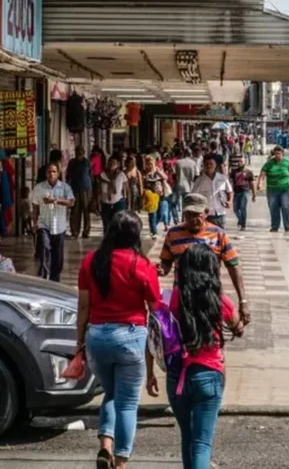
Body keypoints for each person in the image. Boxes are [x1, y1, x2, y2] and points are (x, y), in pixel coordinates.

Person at [76, 211, 160, 469]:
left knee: (111, 392)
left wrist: (79, 343)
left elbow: (83, 307)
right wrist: (155, 359)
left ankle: (105, 446)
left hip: (97, 337)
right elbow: (155, 310)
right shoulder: (142, 265)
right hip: (130, 338)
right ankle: (121, 461)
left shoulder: (91, 261)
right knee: (128, 404)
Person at [156, 244, 244, 469]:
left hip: (177, 376)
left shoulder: (174, 298)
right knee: (202, 443)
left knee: (187, 436)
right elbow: (237, 327)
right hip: (209, 374)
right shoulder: (218, 299)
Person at [158, 193, 251, 325]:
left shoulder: (218, 234)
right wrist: (161, 269)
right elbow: (166, 263)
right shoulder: (173, 234)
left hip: (210, 296)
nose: (192, 219)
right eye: (188, 214)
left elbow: (233, 266)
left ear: (206, 213)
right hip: (182, 298)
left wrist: (243, 301)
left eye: (197, 214)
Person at [31, 163, 75, 282]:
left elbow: (71, 202)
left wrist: (55, 200)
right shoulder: (39, 188)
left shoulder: (65, 187)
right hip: (44, 224)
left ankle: (55, 279)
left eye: (54, 171)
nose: (51, 174)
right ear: (46, 173)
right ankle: (44, 277)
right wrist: (34, 223)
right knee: (45, 248)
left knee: (58, 256)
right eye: (49, 172)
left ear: (58, 173)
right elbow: (35, 206)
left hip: (59, 227)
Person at [257, 147, 289, 233]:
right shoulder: (269, 163)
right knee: (273, 208)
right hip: (272, 190)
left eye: (279, 154)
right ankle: (275, 226)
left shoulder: (288, 162)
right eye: (276, 154)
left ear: (282, 154)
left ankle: (287, 226)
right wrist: (260, 183)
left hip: (286, 189)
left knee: (286, 207)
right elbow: (263, 173)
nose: (277, 155)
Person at [192, 155, 232, 229]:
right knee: (207, 234)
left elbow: (229, 191)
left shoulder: (222, 178)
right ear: (204, 166)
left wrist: (230, 201)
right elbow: (194, 196)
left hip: (220, 212)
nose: (209, 166)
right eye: (207, 164)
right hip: (206, 214)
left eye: (211, 164)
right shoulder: (199, 180)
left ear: (215, 165)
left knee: (220, 234)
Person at [66, 146, 93, 238]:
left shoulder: (87, 162)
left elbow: (91, 175)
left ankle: (86, 231)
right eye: (78, 152)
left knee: (86, 210)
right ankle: (75, 231)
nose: (79, 153)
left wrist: (92, 190)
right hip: (75, 189)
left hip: (86, 189)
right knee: (75, 211)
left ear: (83, 153)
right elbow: (68, 176)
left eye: (81, 152)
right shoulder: (72, 163)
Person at [143, 155, 171, 239]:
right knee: (152, 214)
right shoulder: (144, 172)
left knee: (160, 214)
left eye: (151, 163)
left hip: (160, 195)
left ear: (154, 163)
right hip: (150, 196)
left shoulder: (158, 170)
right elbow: (142, 183)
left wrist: (158, 172)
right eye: (148, 164)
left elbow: (165, 178)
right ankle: (153, 231)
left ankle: (153, 225)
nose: (149, 165)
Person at [98, 157, 129, 233]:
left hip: (119, 202)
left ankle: (117, 239)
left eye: (114, 163)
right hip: (105, 202)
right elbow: (97, 190)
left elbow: (127, 189)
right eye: (110, 163)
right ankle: (107, 238)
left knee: (118, 222)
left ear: (118, 165)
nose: (112, 164)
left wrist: (129, 203)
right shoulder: (102, 174)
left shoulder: (121, 174)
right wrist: (97, 202)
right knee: (106, 223)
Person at [174, 148, 199, 223]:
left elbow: (175, 174)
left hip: (179, 184)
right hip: (189, 185)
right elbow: (196, 175)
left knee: (178, 203)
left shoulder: (178, 162)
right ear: (190, 154)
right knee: (187, 203)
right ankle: (184, 218)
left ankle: (179, 219)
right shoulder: (193, 163)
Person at [230, 157, 256, 231]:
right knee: (235, 209)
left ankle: (243, 224)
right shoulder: (234, 171)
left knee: (242, 207)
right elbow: (231, 182)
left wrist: (254, 194)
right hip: (236, 192)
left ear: (244, 162)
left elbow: (252, 183)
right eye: (238, 161)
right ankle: (240, 220)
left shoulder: (248, 172)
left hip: (245, 191)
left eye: (241, 161)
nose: (239, 163)